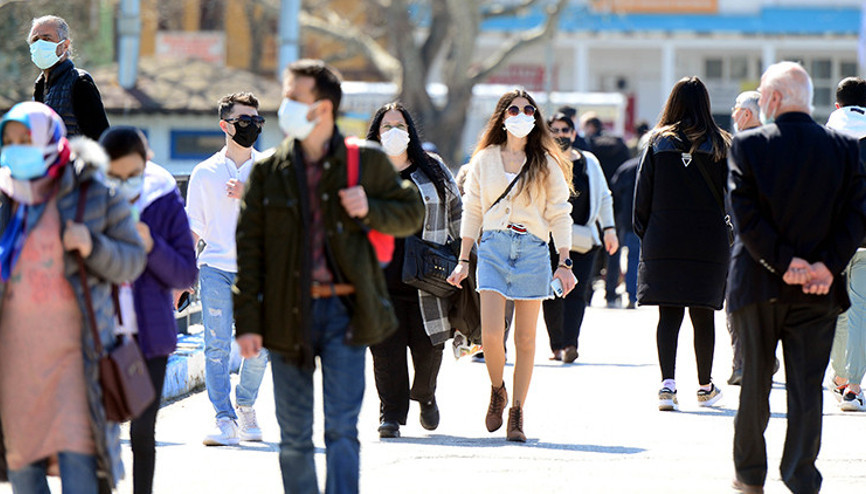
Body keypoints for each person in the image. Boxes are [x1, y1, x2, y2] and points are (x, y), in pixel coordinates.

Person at [233, 59, 424, 493]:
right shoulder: (269, 172)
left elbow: (411, 212)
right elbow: (250, 251)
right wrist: (247, 322)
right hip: (287, 314)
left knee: (341, 430)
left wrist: (370, 207)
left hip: (346, 312)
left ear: (322, 108)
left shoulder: (366, 161)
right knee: (295, 437)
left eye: (293, 97)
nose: (284, 106)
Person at [728, 62, 866, 493]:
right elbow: (856, 216)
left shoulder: (749, 146)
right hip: (819, 289)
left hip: (758, 283)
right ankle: (801, 476)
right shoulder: (843, 148)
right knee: (807, 389)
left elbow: (745, 216)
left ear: (771, 99)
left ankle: (750, 475)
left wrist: (786, 263)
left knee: (755, 384)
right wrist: (825, 265)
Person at [0, 102, 146, 491]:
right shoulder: (6, 196)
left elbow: (132, 261)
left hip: (76, 365)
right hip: (17, 367)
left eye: (26, 139)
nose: (16, 149)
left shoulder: (94, 193)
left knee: (80, 474)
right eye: (9, 141)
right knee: (24, 475)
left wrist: (92, 245)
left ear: (50, 140)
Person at [447, 89, 576, 442]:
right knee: (491, 334)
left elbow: (559, 212)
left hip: (533, 249)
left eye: (529, 109)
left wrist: (564, 262)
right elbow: (472, 209)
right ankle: (497, 389)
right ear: (502, 117)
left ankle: (517, 411)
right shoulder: (484, 159)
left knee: (526, 338)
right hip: (493, 247)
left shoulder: (545, 162)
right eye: (514, 109)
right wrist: (463, 259)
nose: (522, 114)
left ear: (536, 118)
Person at [99, 126, 198, 493]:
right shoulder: (88, 201)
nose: (125, 183)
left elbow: (185, 272)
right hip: (99, 335)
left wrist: (151, 245)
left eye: (133, 174)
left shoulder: (163, 198)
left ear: (147, 162)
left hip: (150, 337)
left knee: (142, 431)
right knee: (100, 430)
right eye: (115, 175)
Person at [364, 102, 462, 438]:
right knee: (385, 352)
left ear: (410, 131)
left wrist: (464, 257)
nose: (394, 132)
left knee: (428, 348)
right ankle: (390, 414)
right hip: (379, 278)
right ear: (376, 134)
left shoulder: (432, 168)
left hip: (429, 276)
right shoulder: (364, 171)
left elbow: (456, 212)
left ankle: (425, 395)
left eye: (400, 126)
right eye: (386, 126)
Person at [633, 76, 731, 412]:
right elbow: (734, 195)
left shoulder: (657, 142)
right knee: (703, 313)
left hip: (664, 239)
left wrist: (646, 234)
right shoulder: (721, 144)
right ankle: (705, 387)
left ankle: (667, 386)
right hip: (708, 242)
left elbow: (642, 195)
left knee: (668, 313)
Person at [185, 92, 270, 446]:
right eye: (243, 121)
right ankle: (224, 417)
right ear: (225, 125)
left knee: (260, 347)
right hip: (215, 269)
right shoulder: (204, 172)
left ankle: (246, 406)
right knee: (216, 347)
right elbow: (193, 228)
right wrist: (183, 273)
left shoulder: (269, 169)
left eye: (256, 121)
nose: (251, 127)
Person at [543, 112, 617, 363]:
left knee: (577, 293)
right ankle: (556, 345)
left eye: (565, 130)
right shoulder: (543, 161)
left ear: (574, 134)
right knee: (552, 293)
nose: (560, 135)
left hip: (584, 239)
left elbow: (604, 196)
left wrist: (609, 229)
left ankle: (570, 344)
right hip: (550, 240)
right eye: (555, 130)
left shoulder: (589, 162)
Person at [826, 76, 866, 412]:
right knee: (861, 311)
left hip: (832, 237)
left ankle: (839, 377)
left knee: (838, 308)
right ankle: (854, 388)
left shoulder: (823, 138)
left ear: (837, 105)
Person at [726, 90, 763, 386]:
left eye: (736, 108)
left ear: (747, 114)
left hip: (738, 236)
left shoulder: (736, 146)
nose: (733, 113)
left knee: (736, 300)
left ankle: (741, 363)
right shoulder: (778, 143)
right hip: (771, 239)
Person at [29, 15, 109, 141]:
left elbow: (101, 138)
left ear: (65, 45)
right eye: (35, 40)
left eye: (46, 39)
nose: (39, 45)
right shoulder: (40, 86)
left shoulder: (79, 82)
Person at [580, 113, 631, 308]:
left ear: (590, 127)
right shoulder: (620, 145)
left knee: (593, 246)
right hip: (617, 204)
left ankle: (588, 292)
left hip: (594, 203)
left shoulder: (589, 146)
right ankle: (610, 293)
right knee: (613, 249)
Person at [610, 153, 641, 310]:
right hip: (650, 219)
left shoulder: (626, 168)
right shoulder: (657, 165)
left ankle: (630, 295)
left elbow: (614, 190)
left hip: (627, 219)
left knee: (630, 257)